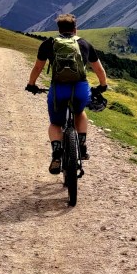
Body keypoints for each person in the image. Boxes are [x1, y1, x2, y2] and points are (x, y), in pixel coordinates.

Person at [26, 13, 108, 174]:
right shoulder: (84, 44)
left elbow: (37, 67)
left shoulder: (48, 44)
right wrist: (103, 85)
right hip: (80, 88)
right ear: (75, 29)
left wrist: (31, 84)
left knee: (55, 123)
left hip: (59, 89)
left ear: (59, 29)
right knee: (80, 112)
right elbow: (99, 69)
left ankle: (57, 154)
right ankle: (82, 145)